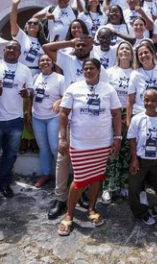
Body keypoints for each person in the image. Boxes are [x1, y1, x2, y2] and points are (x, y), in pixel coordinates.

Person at [57, 58, 122, 236]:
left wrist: (117, 137)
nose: (88, 71)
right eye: (85, 68)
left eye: (91, 68)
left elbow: (116, 114)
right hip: (79, 143)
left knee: (96, 177)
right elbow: (63, 114)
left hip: (102, 143)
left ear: (99, 70)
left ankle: (91, 209)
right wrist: (63, 138)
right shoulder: (74, 88)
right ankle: (69, 214)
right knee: (78, 180)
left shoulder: (108, 89)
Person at [0, 40, 34, 207]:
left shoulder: (25, 70)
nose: (12, 50)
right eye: (9, 48)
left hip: (15, 121)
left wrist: (27, 92)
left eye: (15, 49)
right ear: (4, 50)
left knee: (10, 155)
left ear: (19, 53)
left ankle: (4, 184)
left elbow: (31, 90)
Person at [127, 89, 157, 225]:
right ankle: (141, 213)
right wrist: (134, 159)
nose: (150, 103)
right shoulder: (137, 119)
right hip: (141, 161)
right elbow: (132, 139)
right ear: (143, 101)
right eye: (147, 100)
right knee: (134, 188)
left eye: (153, 100)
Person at [101, 41, 135, 203]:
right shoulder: (109, 72)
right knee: (112, 151)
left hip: (130, 115)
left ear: (131, 53)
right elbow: (105, 95)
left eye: (127, 49)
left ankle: (124, 185)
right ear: (117, 53)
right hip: (113, 114)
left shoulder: (137, 72)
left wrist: (128, 116)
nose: (124, 51)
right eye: (121, 48)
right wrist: (114, 116)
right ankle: (109, 186)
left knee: (127, 151)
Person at [31, 54, 64, 189]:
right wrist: (28, 112)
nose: (45, 62)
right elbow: (31, 97)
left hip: (53, 117)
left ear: (53, 63)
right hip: (37, 117)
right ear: (39, 64)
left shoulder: (60, 79)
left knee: (54, 147)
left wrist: (59, 100)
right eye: (42, 60)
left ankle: (60, 176)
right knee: (43, 148)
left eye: (48, 60)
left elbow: (66, 96)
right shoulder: (35, 77)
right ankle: (46, 173)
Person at [127, 40, 157, 125]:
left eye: (146, 52)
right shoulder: (135, 74)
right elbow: (130, 101)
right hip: (140, 115)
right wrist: (128, 121)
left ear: (152, 54)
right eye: (140, 54)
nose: (143, 55)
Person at [9, 0, 43, 74]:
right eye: (30, 23)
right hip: (22, 71)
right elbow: (13, 22)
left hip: (38, 73)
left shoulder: (43, 41)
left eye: (35, 23)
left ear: (39, 28)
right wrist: (14, 5)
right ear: (26, 27)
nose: (32, 24)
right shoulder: (22, 36)